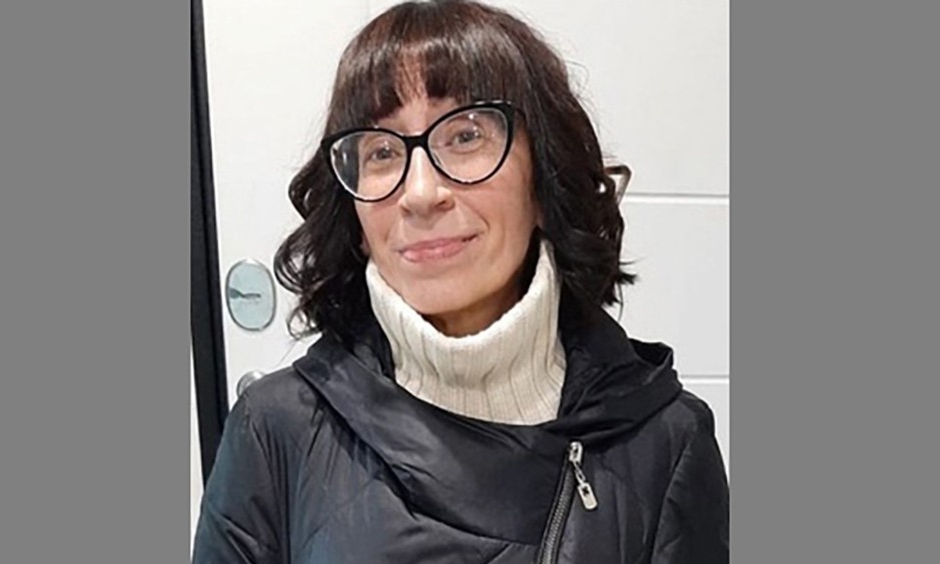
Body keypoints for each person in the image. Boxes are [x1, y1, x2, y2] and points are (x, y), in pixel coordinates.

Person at [192, 1, 729, 562]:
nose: (421, 193)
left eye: (466, 136)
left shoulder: (664, 442)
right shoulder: (274, 430)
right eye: (381, 151)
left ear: (544, 181)